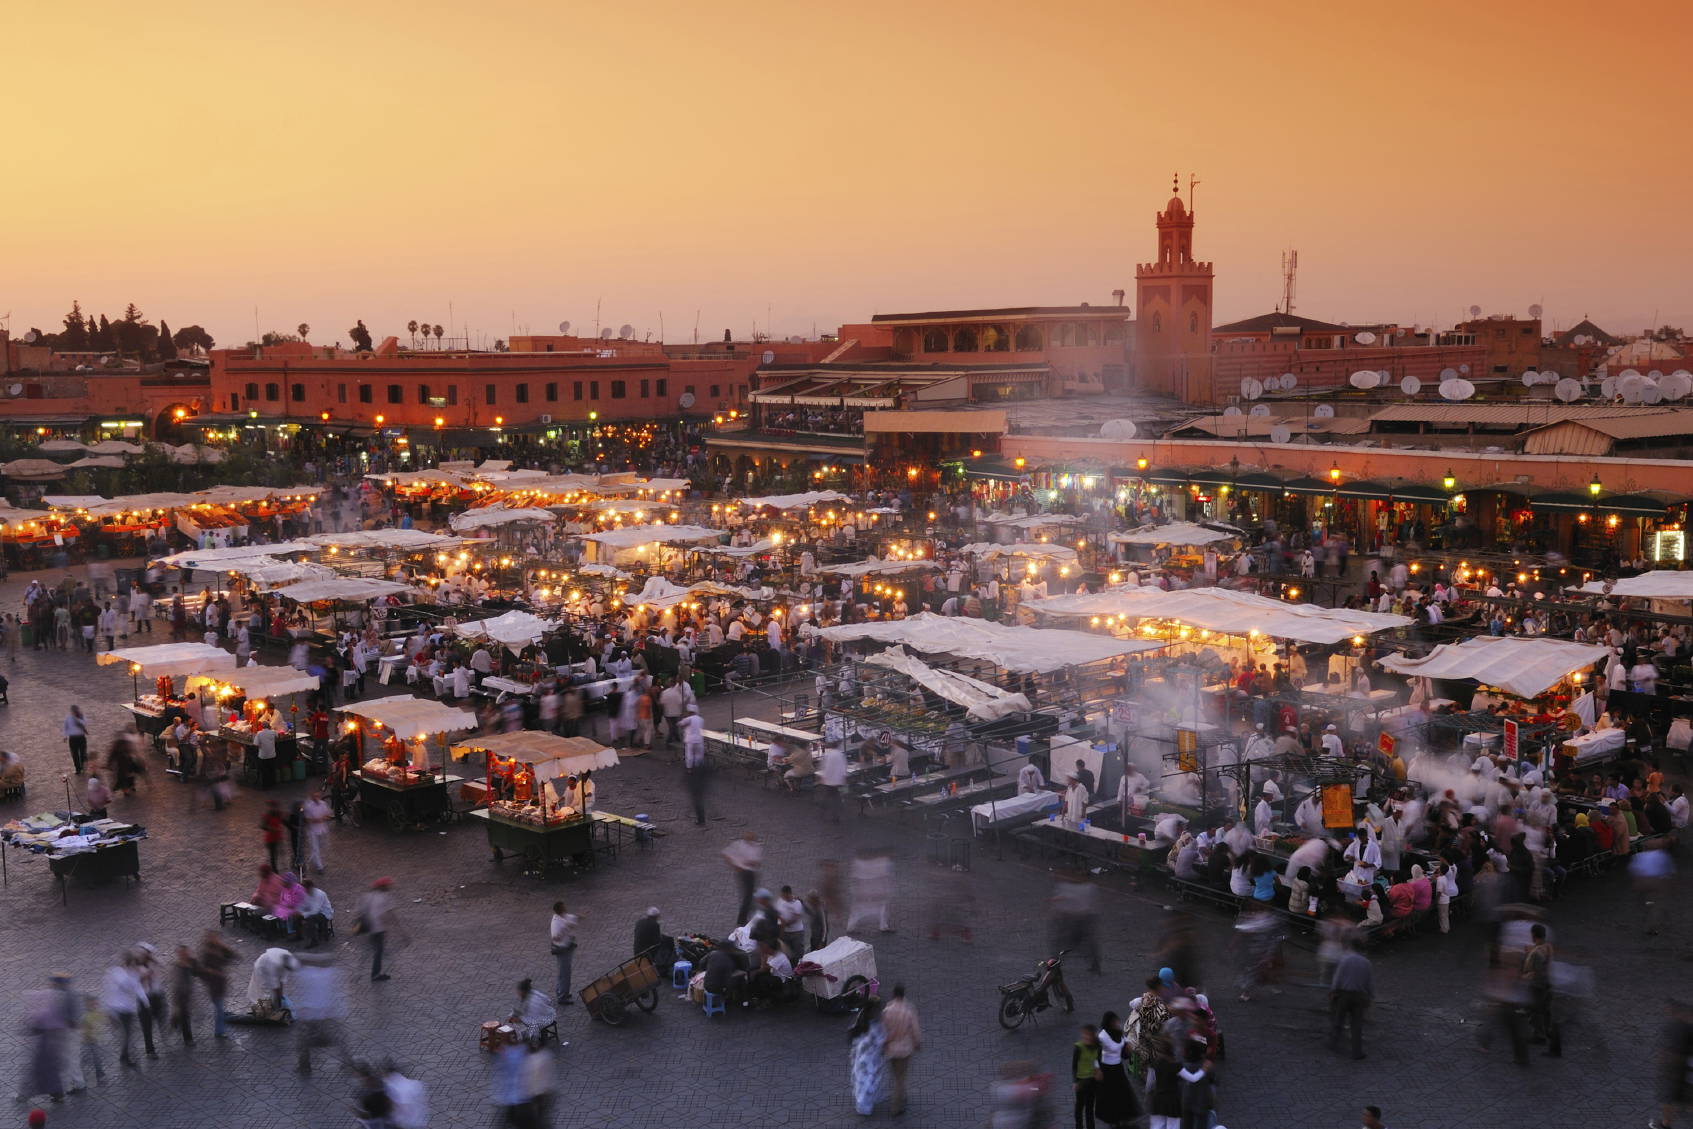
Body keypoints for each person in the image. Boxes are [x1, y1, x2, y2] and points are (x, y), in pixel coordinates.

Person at [880, 984, 921, 1118]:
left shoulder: (887, 1010)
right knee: (900, 1078)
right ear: (903, 995)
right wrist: (917, 1043)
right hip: (905, 1050)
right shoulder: (908, 1011)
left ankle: (901, 1096)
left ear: (893, 994)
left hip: (891, 1049)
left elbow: (883, 1031)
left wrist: (883, 1044)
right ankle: (896, 1106)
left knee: (896, 1075)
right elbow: (914, 1030)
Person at [1328, 940, 1372, 1060]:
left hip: (1344, 995)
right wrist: (1370, 996)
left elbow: (1338, 977)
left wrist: (1333, 990)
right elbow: (1368, 982)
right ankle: (1357, 1052)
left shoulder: (1345, 959)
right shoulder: (1367, 963)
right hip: (1360, 996)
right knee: (1357, 1025)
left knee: (1339, 1020)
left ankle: (1333, 1043)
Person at [1095, 1011, 1141, 1128]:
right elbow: (1094, 1055)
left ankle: (1123, 1117)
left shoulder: (1119, 1033)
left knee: (1122, 1093)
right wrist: (1097, 1070)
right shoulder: (1102, 1037)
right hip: (1107, 1070)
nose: (1117, 1023)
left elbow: (1125, 1046)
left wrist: (1130, 1050)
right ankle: (1114, 1120)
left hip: (1118, 1069)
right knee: (1112, 1095)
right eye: (1114, 1022)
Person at [848, 995, 887, 1116]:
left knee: (862, 1078)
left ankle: (862, 1103)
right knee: (869, 1078)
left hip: (861, 1055)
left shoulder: (862, 1015)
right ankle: (865, 1104)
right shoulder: (876, 1021)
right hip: (870, 1056)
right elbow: (879, 1038)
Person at [196, 931, 235, 1039]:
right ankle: (219, 1031)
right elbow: (201, 970)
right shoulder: (207, 953)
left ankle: (220, 1027)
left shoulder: (219, 949)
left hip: (220, 984)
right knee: (219, 1008)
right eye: (214, 938)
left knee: (220, 1007)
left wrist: (223, 946)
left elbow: (232, 956)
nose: (216, 940)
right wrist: (211, 972)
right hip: (214, 986)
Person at [357, 877, 396, 982]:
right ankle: (375, 974)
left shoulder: (367, 896)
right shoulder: (384, 897)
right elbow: (387, 914)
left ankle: (371, 971)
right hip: (378, 928)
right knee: (379, 951)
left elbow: (361, 910)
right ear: (384, 887)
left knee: (376, 949)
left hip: (369, 927)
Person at [723, 832, 763, 926]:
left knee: (751, 895)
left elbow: (757, 862)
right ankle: (742, 919)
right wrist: (735, 865)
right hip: (744, 873)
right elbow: (726, 854)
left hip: (751, 873)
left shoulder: (756, 847)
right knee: (748, 896)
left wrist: (750, 862)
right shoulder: (739, 844)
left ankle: (751, 914)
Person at [1072, 1023, 1102, 1129]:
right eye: (1084, 1035)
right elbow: (1074, 1065)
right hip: (1081, 1081)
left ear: (1093, 1036)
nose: (1086, 1037)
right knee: (1079, 1107)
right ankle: (1079, 1126)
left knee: (1089, 1108)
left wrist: (1099, 1071)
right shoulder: (1078, 1047)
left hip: (1092, 1081)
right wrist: (1075, 1081)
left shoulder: (1097, 1047)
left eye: (1088, 1035)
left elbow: (1098, 1061)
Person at [510, 978, 556, 1045]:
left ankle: (533, 1041)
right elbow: (548, 1000)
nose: (517, 993)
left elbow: (534, 1019)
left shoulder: (533, 1003)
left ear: (523, 991)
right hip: (550, 1012)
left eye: (519, 991)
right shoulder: (533, 992)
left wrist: (519, 1019)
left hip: (545, 1019)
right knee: (514, 1016)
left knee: (531, 1026)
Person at [550, 900, 579, 1005]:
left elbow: (571, 918)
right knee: (565, 973)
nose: (566, 908)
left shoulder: (562, 916)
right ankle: (562, 996)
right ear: (560, 909)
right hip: (563, 950)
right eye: (564, 907)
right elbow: (555, 938)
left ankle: (561, 991)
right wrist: (566, 929)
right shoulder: (556, 923)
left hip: (567, 948)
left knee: (563, 972)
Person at [64, 707, 88, 775]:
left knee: (83, 753)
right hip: (73, 738)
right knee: (75, 755)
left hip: (81, 738)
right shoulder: (68, 718)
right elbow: (66, 727)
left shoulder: (81, 717)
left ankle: (83, 767)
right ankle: (78, 769)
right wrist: (65, 736)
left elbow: (84, 723)